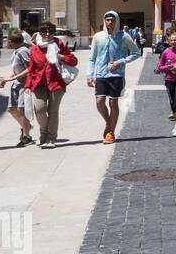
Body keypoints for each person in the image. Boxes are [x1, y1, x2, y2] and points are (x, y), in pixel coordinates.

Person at [86, 9, 141, 144]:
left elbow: (136, 53)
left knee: (113, 103)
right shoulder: (98, 37)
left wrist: (120, 62)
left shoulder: (124, 36)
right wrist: (89, 75)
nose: (110, 22)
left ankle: (111, 132)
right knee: (99, 102)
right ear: (104, 21)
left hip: (117, 74)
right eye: (107, 19)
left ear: (116, 21)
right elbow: (92, 58)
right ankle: (109, 123)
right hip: (101, 74)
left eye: (112, 20)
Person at [25, 22, 76, 149]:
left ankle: (51, 138)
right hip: (39, 83)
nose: (47, 34)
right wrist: (27, 86)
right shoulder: (35, 49)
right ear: (40, 33)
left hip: (56, 83)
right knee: (39, 109)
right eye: (44, 31)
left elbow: (74, 61)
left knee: (53, 112)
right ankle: (44, 133)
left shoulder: (59, 44)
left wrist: (60, 56)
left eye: (50, 31)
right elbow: (31, 69)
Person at [0, 29, 33, 147]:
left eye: (8, 41)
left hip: (24, 84)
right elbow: (18, 69)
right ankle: (26, 127)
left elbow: (29, 69)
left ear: (11, 41)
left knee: (22, 109)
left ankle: (26, 136)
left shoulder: (23, 51)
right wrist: (7, 79)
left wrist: (11, 79)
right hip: (16, 84)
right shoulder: (16, 51)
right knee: (12, 108)